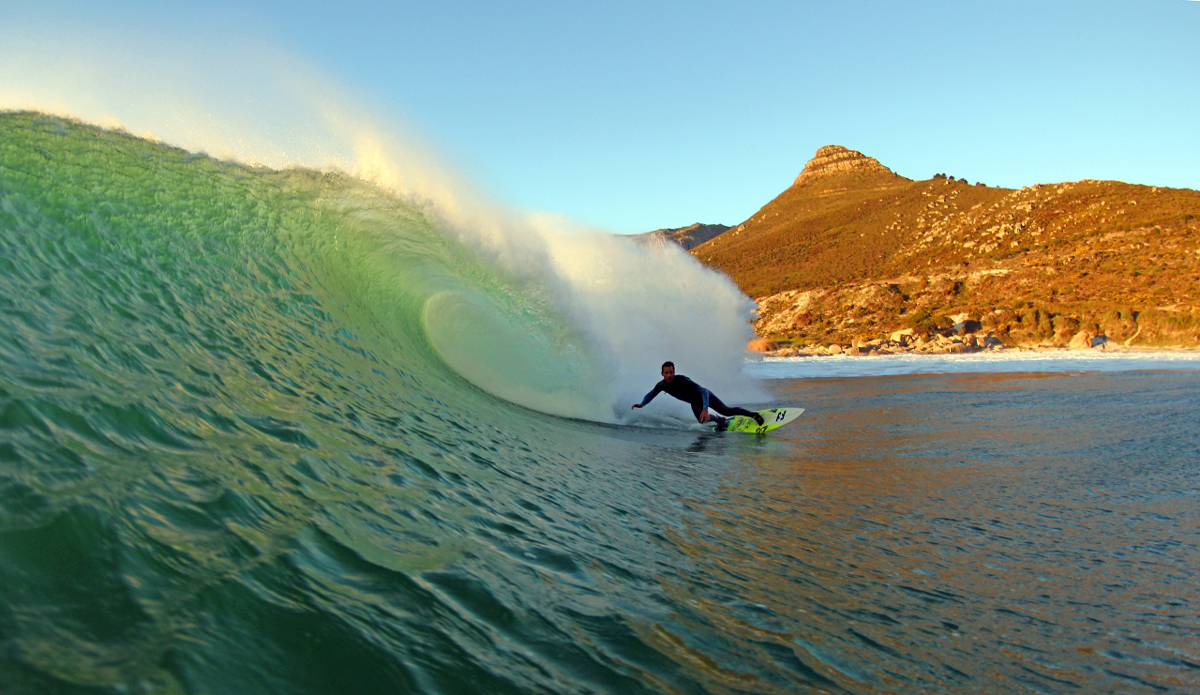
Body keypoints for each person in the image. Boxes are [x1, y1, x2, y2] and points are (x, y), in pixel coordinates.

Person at [631, 361, 764, 427]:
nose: (669, 375)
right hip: (695, 403)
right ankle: (720, 421)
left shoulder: (682, 380)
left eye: (671, 372)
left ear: (674, 372)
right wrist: (642, 404)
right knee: (702, 421)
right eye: (666, 373)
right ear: (662, 374)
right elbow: (651, 394)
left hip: (705, 397)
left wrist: (705, 407)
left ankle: (754, 415)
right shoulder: (662, 385)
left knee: (727, 411)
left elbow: (703, 390)